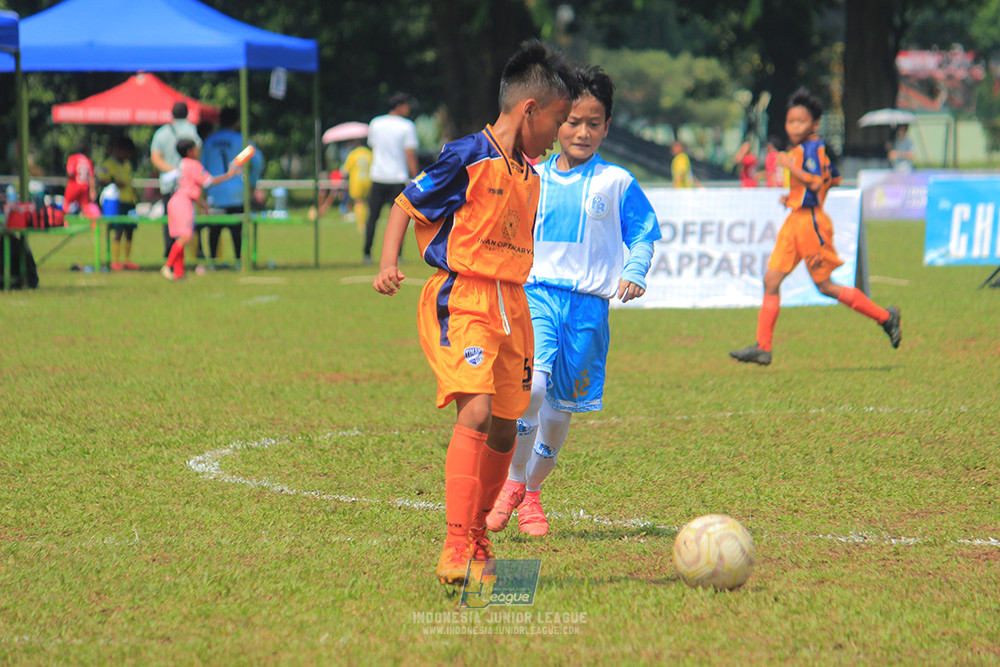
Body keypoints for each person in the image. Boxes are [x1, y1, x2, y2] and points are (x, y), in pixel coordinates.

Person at [372, 40, 580, 586]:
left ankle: (481, 536)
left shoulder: (532, 174)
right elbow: (405, 203)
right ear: (530, 110)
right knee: (478, 413)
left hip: (515, 305)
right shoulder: (468, 154)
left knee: (508, 430)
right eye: (559, 120)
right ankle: (456, 543)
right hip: (463, 298)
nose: (560, 133)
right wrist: (389, 262)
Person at [485, 66, 661, 538]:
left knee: (559, 414)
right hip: (536, 296)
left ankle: (531, 495)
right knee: (532, 391)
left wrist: (635, 269)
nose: (582, 132)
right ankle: (511, 483)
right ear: (556, 121)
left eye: (594, 122)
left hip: (587, 309)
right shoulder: (530, 175)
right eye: (573, 121)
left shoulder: (617, 183)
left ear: (607, 126)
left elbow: (643, 234)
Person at [729, 88, 901, 366]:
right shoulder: (808, 149)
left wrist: (794, 173)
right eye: (790, 121)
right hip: (797, 219)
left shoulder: (811, 148)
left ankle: (885, 316)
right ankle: (763, 347)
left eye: (800, 121)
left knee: (826, 286)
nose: (794, 126)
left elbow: (814, 182)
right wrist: (796, 196)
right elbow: (833, 178)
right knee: (771, 281)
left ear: (814, 124)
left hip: (810, 223)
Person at [162, 139, 239, 282]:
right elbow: (208, 181)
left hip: (175, 200)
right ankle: (168, 266)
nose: (198, 151)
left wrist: (202, 203)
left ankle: (179, 273)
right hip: (183, 202)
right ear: (190, 151)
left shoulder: (180, 165)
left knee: (181, 238)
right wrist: (229, 175)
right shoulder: (193, 165)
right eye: (196, 149)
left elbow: (190, 187)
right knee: (186, 237)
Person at [201, 107, 264, 266]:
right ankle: (238, 262)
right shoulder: (241, 140)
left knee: (214, 230)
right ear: (236, 122)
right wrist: (251, 182)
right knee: (237, 231)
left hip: (215, 191)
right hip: (237, 191)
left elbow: (202, 167)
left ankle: (213, 263)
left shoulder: (210, 141)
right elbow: (257, 161)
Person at [363, 92, 419, 264]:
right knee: (399, 220)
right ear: (400, 106)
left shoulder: (376, 123)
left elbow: (372, 146)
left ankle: (367, 253)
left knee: (372, 218)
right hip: (397, 177)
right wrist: (416, 177)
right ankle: (397, 255)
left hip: (378, 175)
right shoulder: (407, 126)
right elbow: (410, 154)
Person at [151, 102, 202, 259]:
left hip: (169, 186)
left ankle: (170, 254)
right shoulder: (192, 130)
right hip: (188, 189)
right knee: (190, 225)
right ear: (187, 114)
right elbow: (198, 153)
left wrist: (172, 170)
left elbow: (155, 158)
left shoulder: (161, 133)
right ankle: (195, 255)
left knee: (170, 224)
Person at [96, 136, 140, 270]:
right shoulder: (108, 164)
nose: (127, 156)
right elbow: (100, 181)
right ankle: (115, 260)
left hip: (130, 201)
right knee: (118, 230)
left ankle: (127, 259)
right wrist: (114, 182)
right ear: (118, 150)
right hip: (116, 202)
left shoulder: (127, 165)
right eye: (126, 152)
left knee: (130, 230)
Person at [342, 139, 372, 233]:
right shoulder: (369, 154)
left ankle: (361, 225)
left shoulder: (354, 154)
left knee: (358, 201)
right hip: (368, 180)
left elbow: (345, 169)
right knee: (366, 202)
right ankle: (368, 222)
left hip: (356, 181)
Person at [63, 141, 96, 215]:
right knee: (84, 208)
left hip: (74, 185)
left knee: (67, 205)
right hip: (84, 186)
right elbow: (91, 177)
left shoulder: (73, 158)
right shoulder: (88, 161)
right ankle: (86, 224)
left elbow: (70, 173)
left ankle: (65, 222)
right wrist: (92, 190)